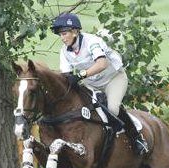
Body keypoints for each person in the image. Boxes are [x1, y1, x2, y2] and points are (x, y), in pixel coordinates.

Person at [51, 12, 148, 156]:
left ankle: (138, 139)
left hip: (113, 79)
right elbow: (66, 75)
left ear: (75, 32)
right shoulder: (64, 51)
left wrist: (81, 75)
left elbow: (102, 63)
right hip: (92, 83)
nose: (62, 38)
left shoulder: (92, 41)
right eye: (60, 34)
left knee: (112, 109)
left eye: (65, 33)